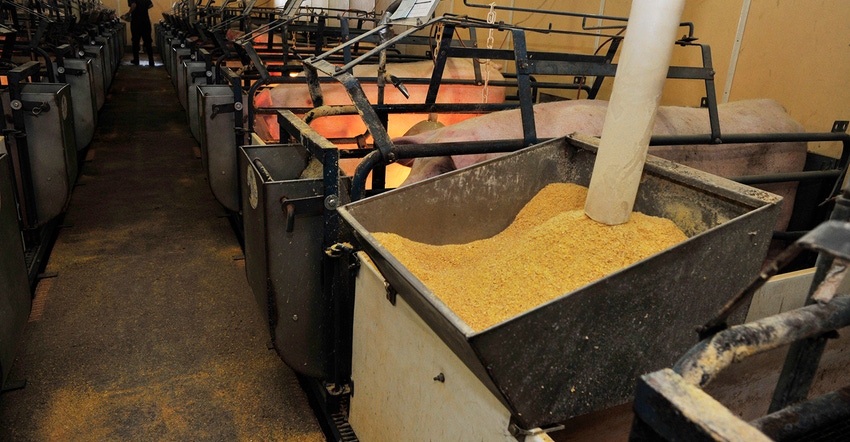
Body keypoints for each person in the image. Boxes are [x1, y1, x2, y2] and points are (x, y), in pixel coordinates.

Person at [123, 0, 154, 66]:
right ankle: (151, 61)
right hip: (146, 21)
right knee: (148, 41)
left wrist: (129, 13)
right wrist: (143, 9)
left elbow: (133, 5)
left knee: (135, 41)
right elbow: (151, 5)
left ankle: (136, 60)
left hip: (136, 21)